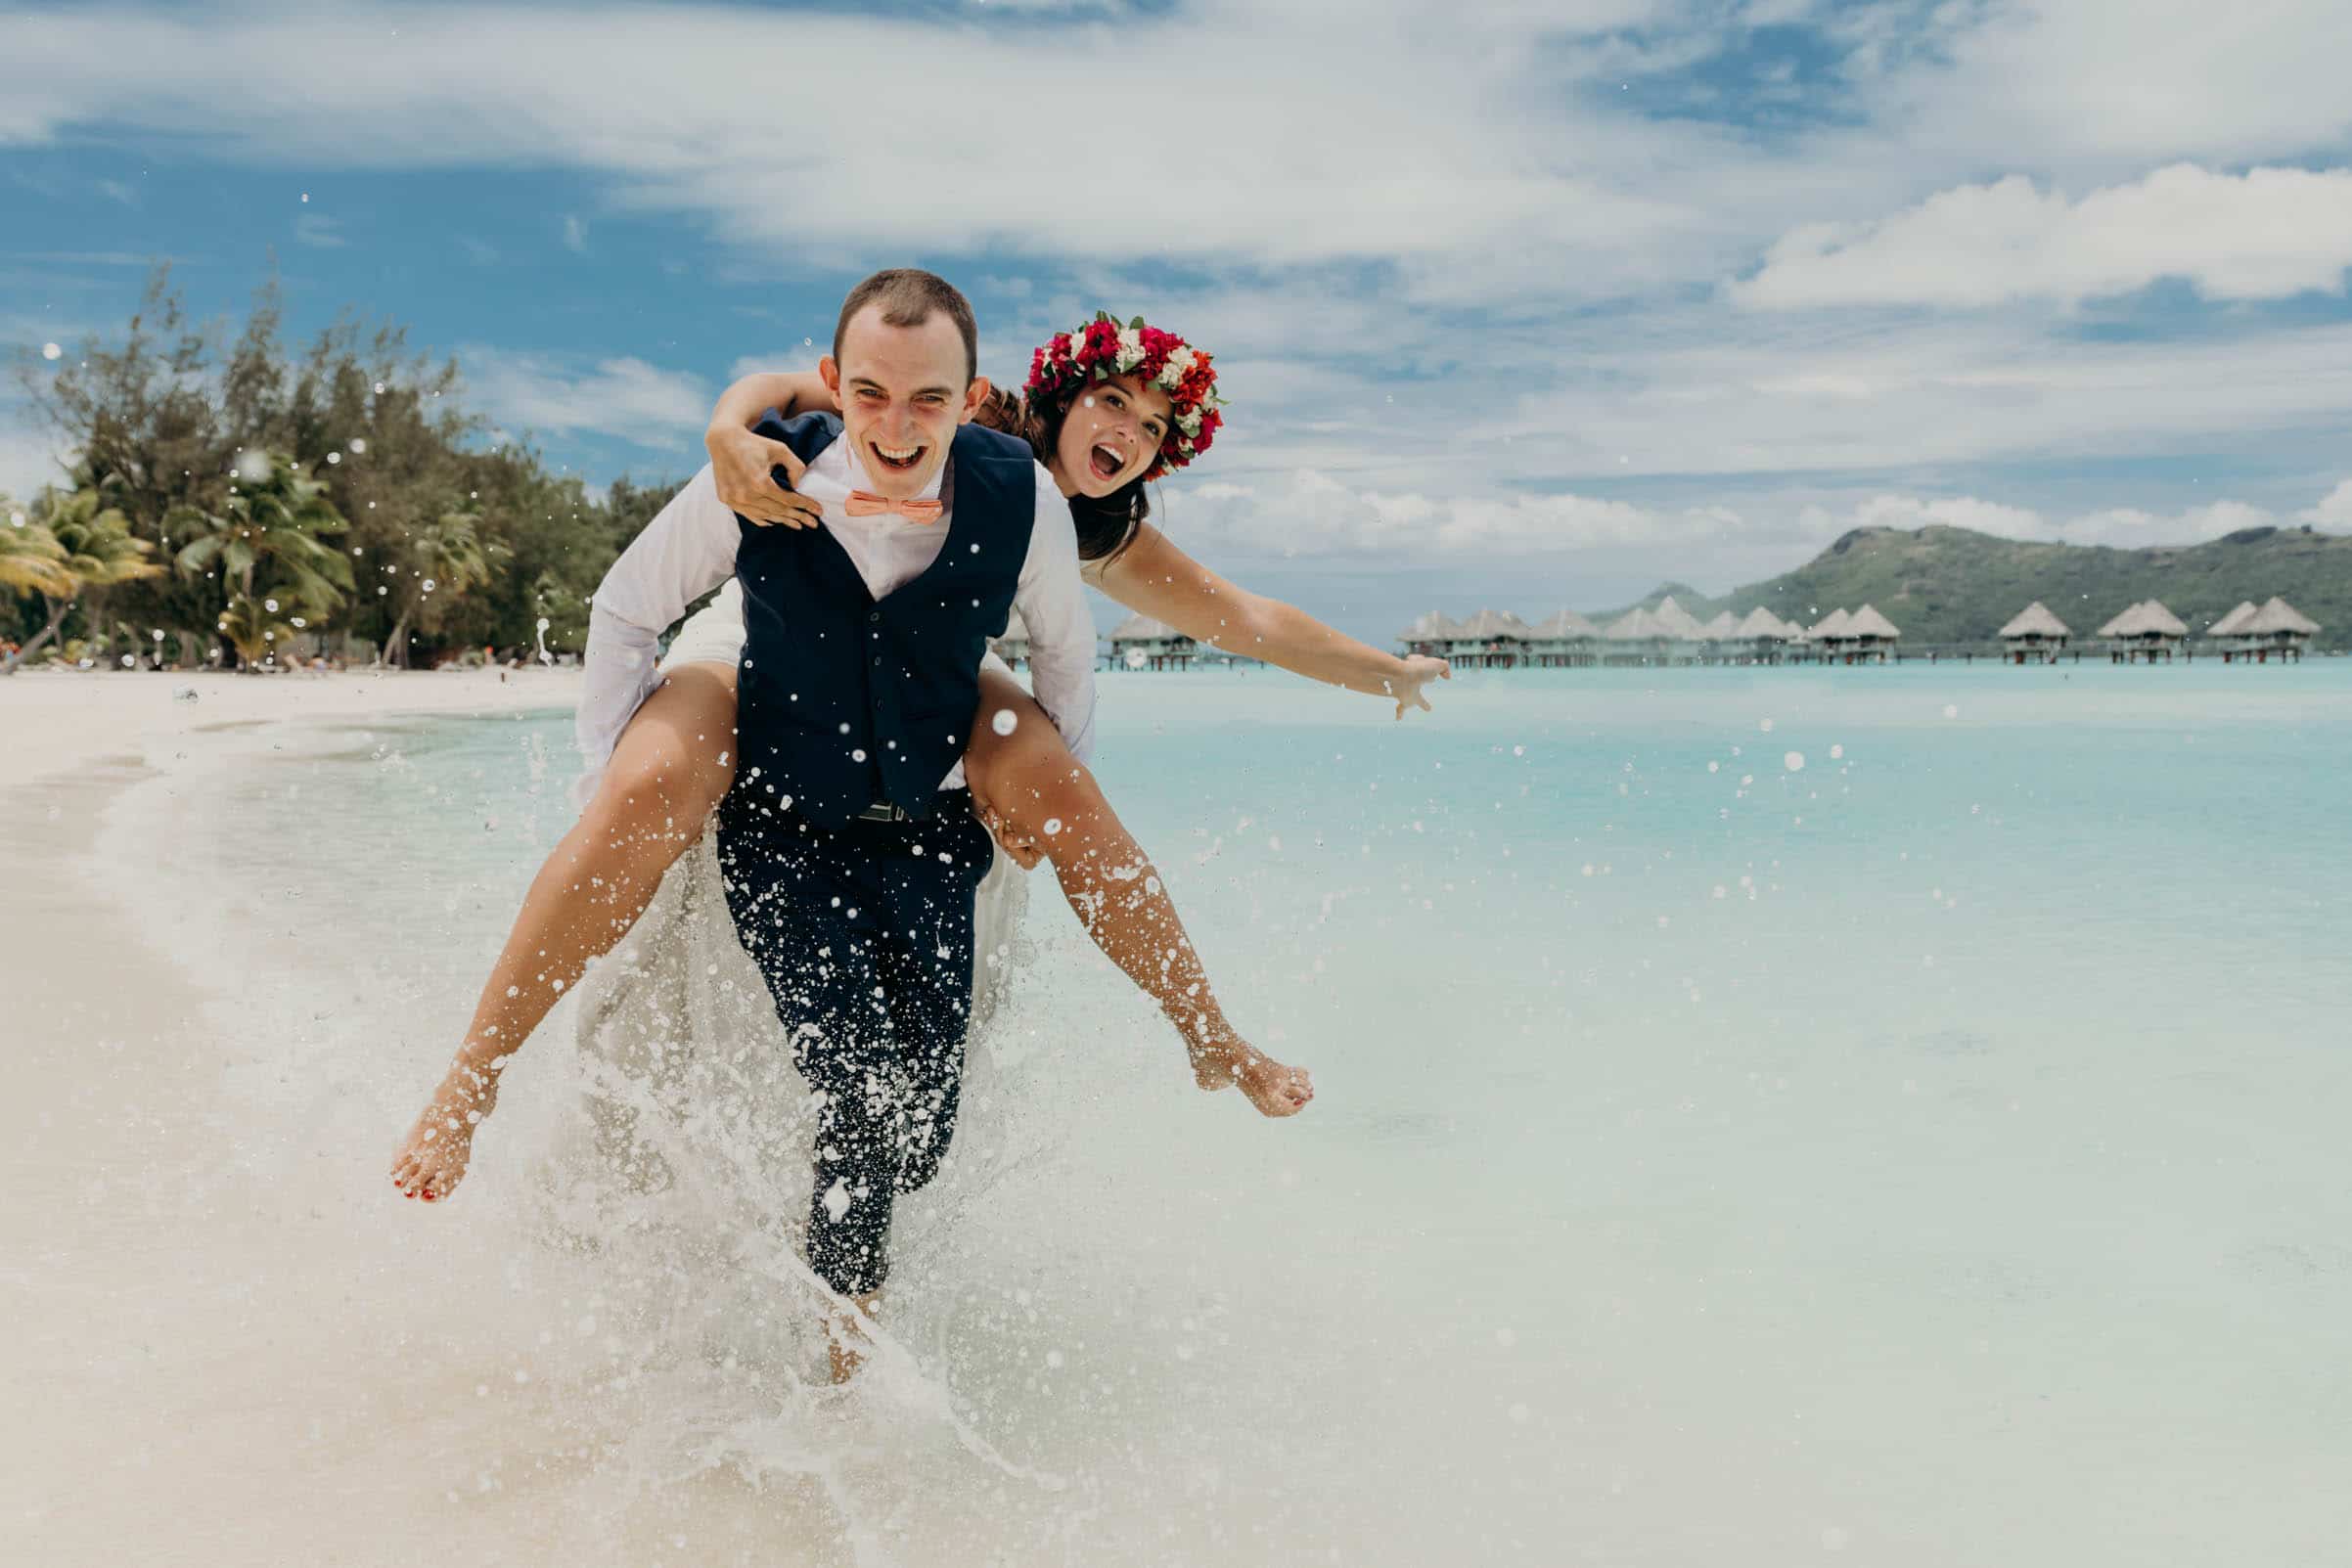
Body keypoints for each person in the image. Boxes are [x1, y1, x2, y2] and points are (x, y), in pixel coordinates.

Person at [389, 306, 1447, 1213]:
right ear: (1061, 393)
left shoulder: (1092, 528)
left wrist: (1384, 673)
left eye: (1154, 426)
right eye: (1112, 401)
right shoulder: (945, 409)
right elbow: (796, 386)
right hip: (770, 629)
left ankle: (1205, 1031)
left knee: (1063, 795)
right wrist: (724, 426)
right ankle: (474, 1074)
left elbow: (1242, 619)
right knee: (652, 785)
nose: (1126, 432)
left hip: (935, 673)